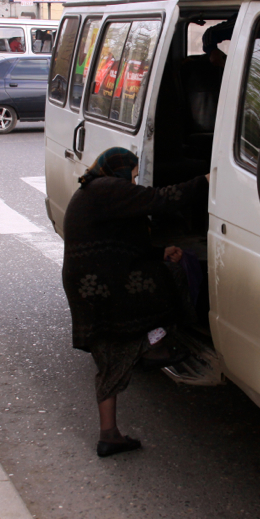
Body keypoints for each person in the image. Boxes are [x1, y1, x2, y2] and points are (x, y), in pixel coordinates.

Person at [61, 148, 208, 458]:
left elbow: (121, 244)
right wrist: (205, 181)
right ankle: (153, 343)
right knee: (170, 279)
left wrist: (158, 251)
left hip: (87, 283)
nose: (134, 177)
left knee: (109, 353)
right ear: (119, 169)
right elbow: (159, 199)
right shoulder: (107, 189)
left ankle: (109, 435)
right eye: (133, 171)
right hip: (100, 283)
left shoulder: (92, 190)